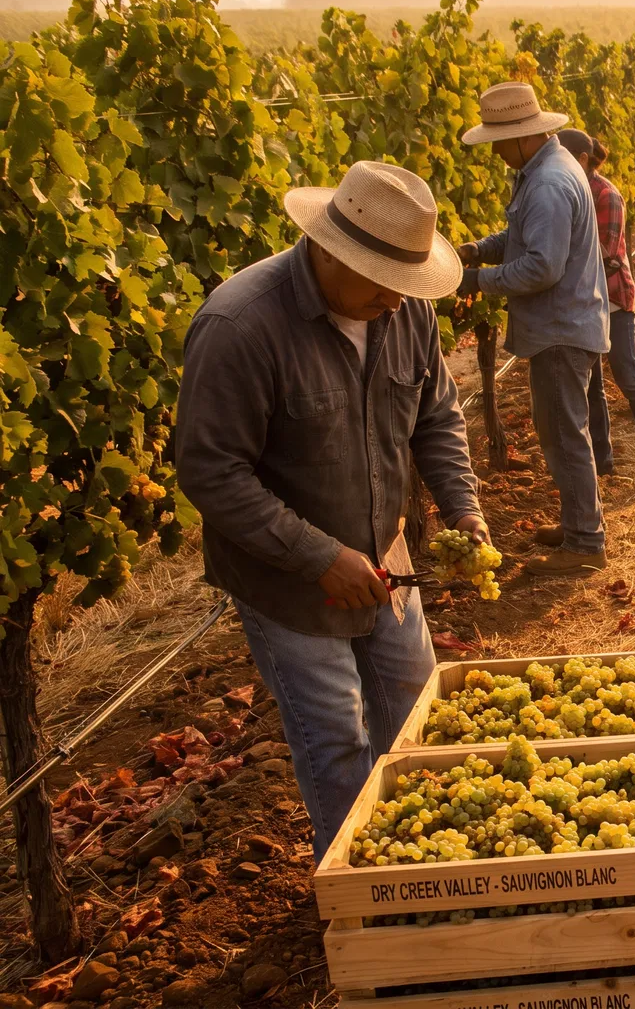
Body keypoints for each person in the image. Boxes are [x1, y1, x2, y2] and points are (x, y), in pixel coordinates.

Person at [176, 160, 490, 855]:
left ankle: (423, 866)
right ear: (328, 249)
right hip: (289, 583)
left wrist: (464, 510)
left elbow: (436, 417)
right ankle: (359, 900)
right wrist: (319, 557)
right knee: (339, 744)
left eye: (409, 284)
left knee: (417, 714)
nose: (399, 300)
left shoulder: (404, 314)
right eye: (385, 282)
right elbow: (210, 469)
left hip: (387, 557)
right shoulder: (242, 326)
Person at [456, 81, 610, 574]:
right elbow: (522, 235)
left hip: (561, 328)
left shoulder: (547, 183)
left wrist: (475, 279)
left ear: (523, 136)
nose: (495, 151)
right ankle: (577, 523)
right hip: (564, 324)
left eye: (498, 141)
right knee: (562, 430)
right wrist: (482, 248)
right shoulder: (543, 170)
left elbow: (543, 266)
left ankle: (585, 544)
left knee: (565, 434)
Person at [556, 128, 635, 485]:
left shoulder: (606, 195)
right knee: (591, 384)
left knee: (627, 376)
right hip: (582, 300)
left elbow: (603, 252)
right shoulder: (566, 191)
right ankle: (603, 465)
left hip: (613, 298)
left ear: (581, 160)